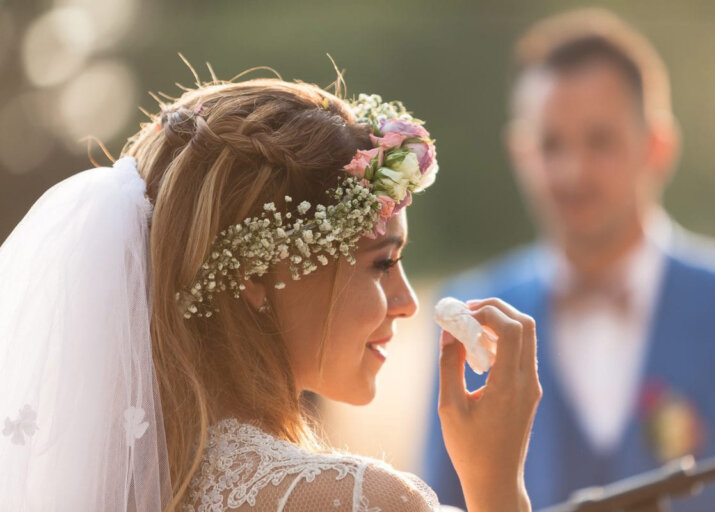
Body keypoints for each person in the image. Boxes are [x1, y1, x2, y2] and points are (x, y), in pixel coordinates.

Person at [0, 74, 541, 511]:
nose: (407, 302)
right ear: (256, 275)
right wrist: (495, 482)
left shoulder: (100, 479)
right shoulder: (355, 502)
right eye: (382, 264)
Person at [421, 8, 715, 512]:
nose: (572, 172)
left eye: (600, 141)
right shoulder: (468, 319)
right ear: (520, 153)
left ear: (656, 146)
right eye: (550, 143)